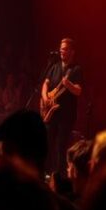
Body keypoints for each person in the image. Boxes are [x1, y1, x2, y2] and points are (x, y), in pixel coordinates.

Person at [40, 37, 83, 175]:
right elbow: (45, 84)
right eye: (61, 48)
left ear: (72, 52)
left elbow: (78, 91)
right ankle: (45, 174)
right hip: (51, 112)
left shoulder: (76, 69)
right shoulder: (54, 66)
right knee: (47, 143)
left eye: (64, 49)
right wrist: (46, 98)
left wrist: (68, 84)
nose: (61, 51)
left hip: (66, 115)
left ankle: (59, 176)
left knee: (61, 146)